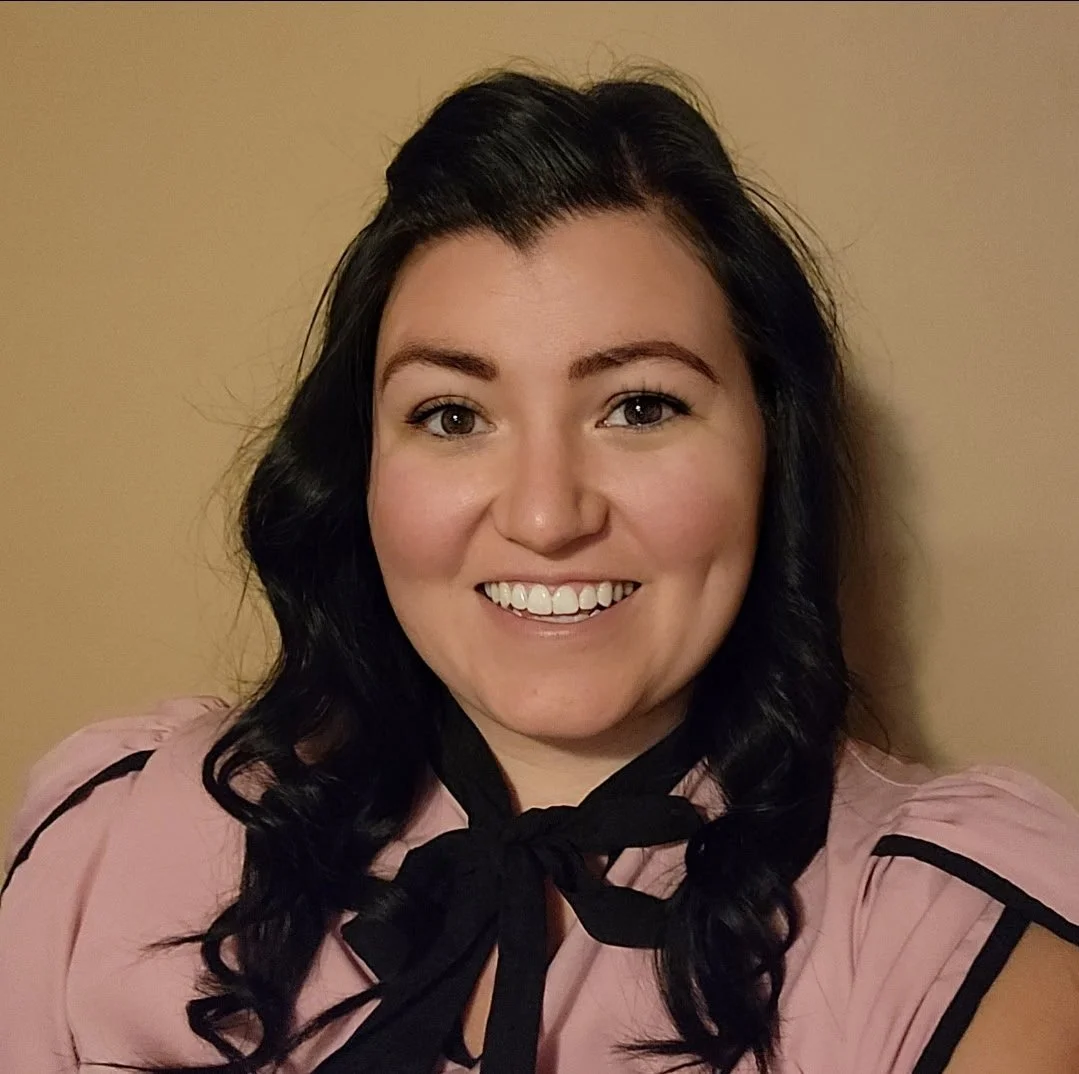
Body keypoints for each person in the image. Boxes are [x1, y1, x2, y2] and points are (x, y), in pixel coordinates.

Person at [1, 69, 1077, 1074]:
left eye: (640, 406)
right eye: (452, 415)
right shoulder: (109, 836)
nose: (544, 515)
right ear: (359, 470)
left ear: (770, 454)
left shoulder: (956, 942)